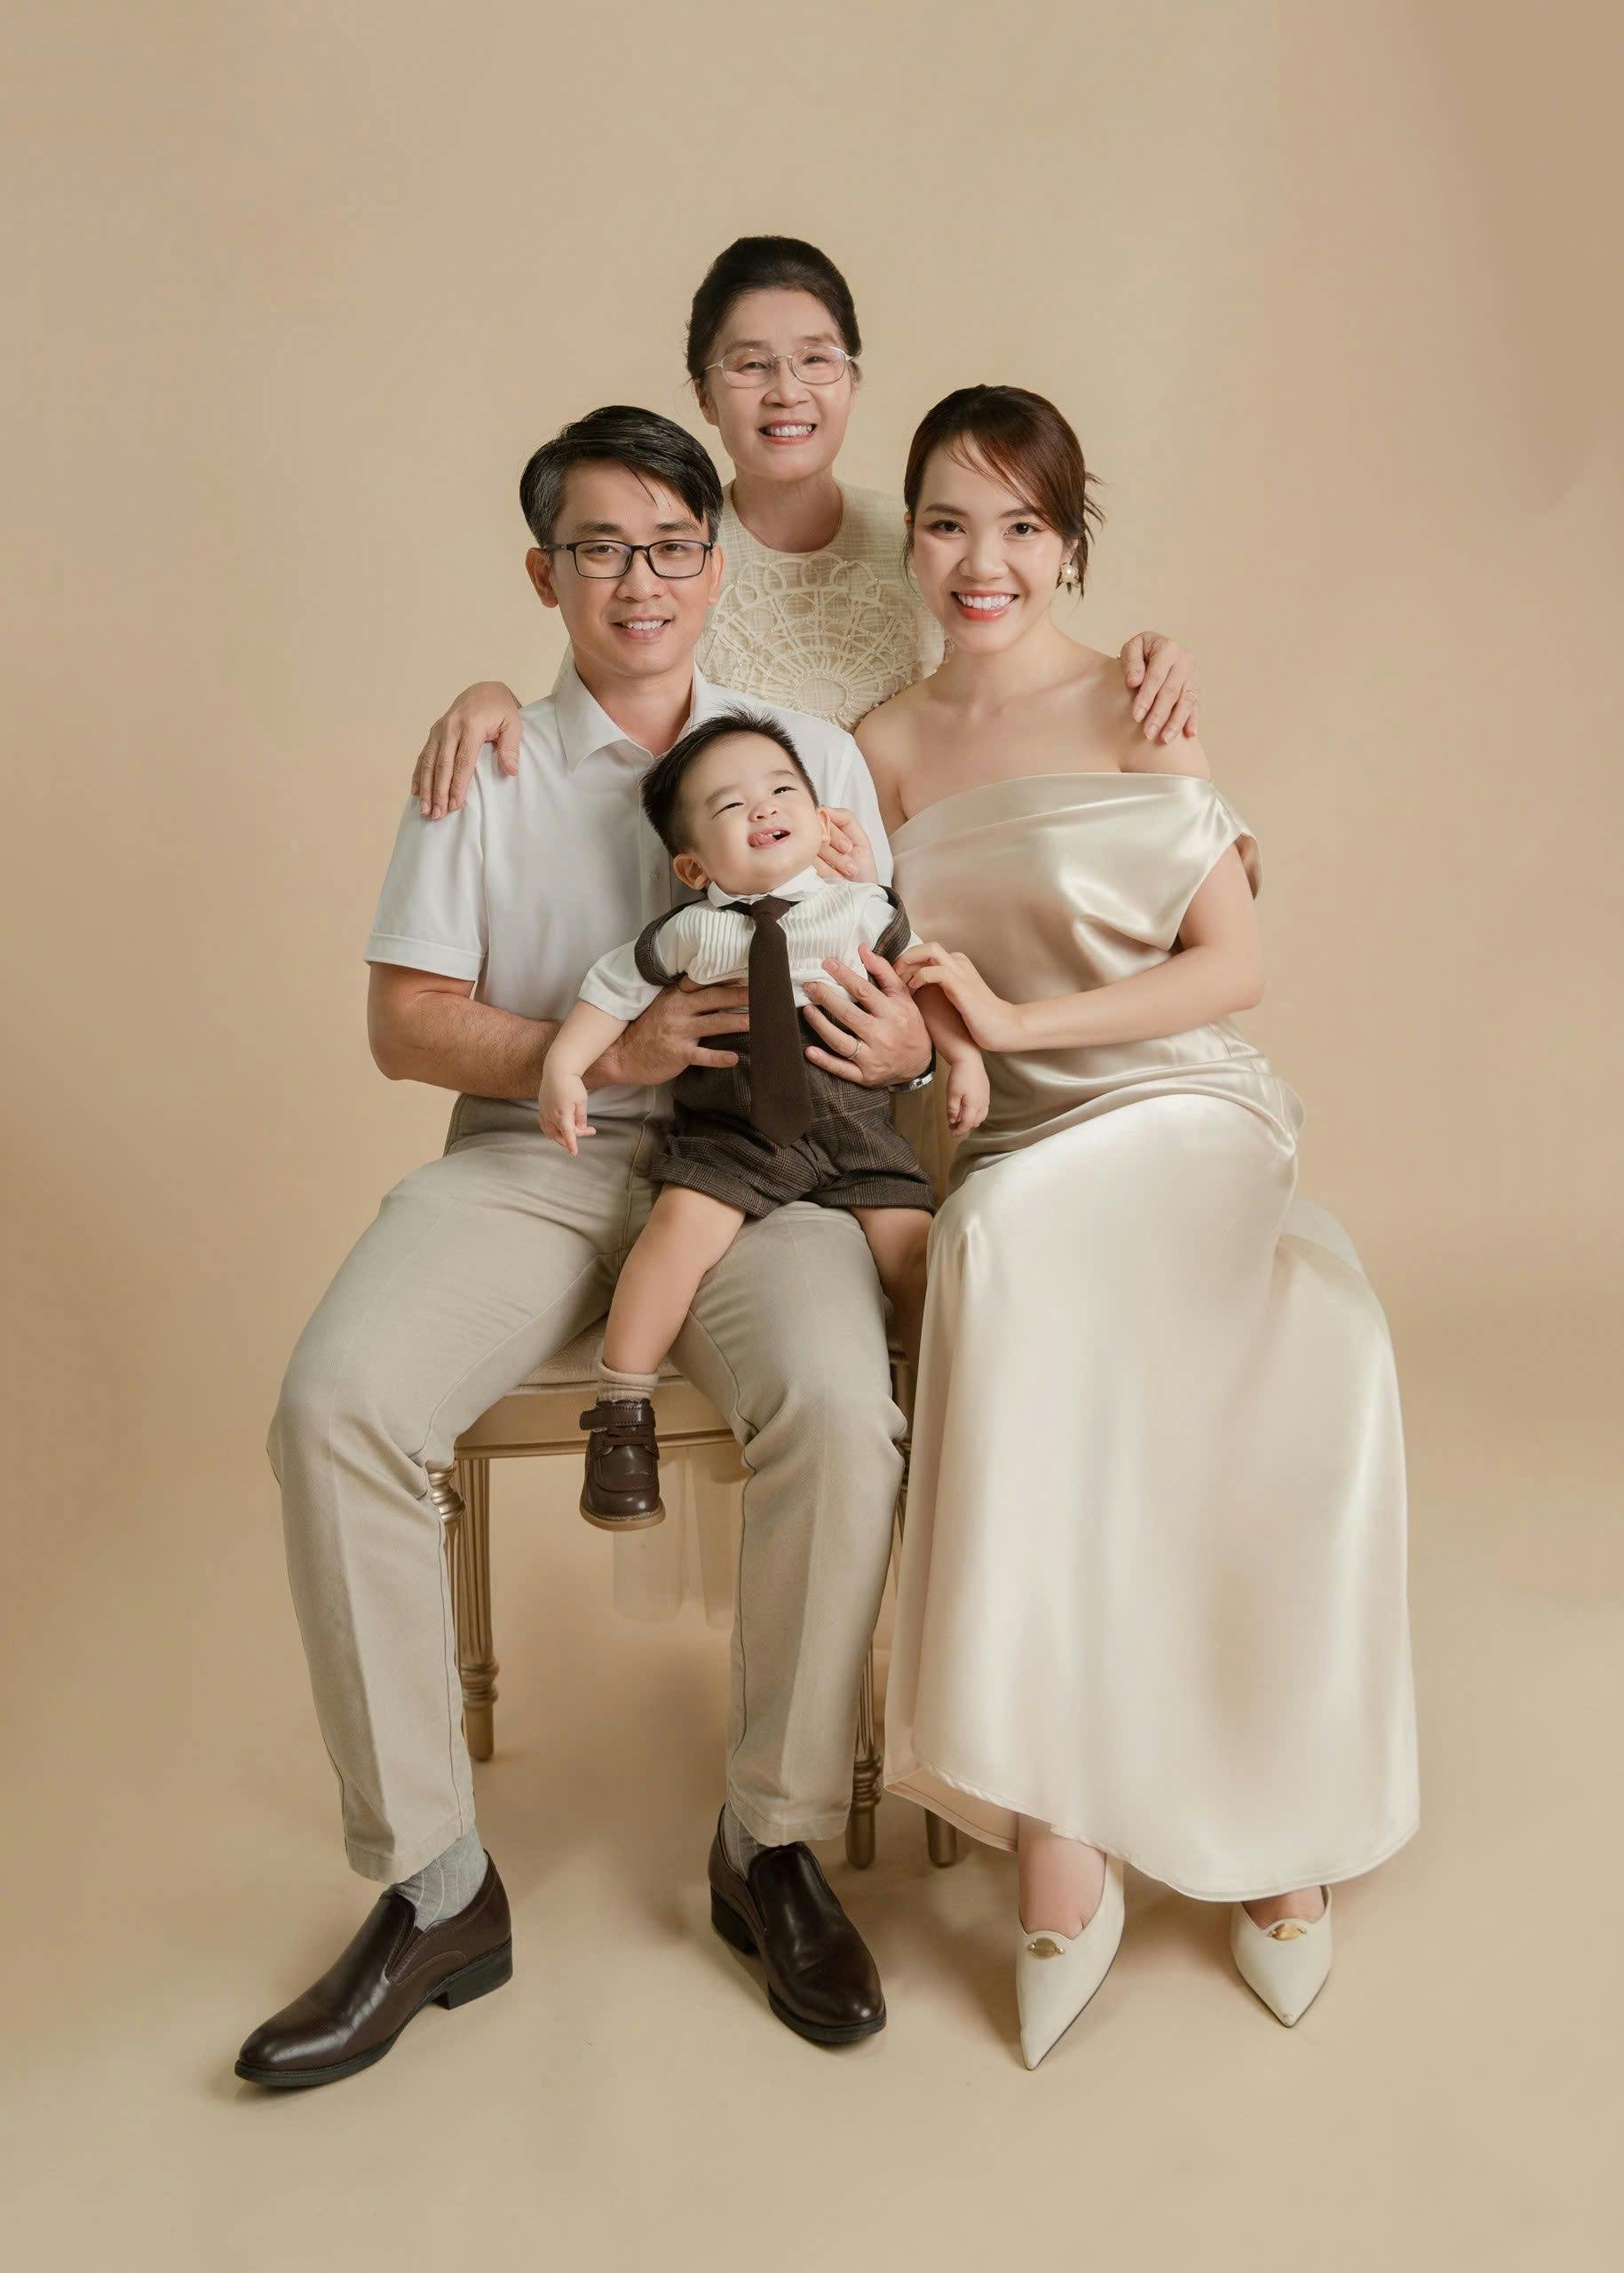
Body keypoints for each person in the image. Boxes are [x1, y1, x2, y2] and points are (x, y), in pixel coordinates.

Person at [236, 405, 940, 2089]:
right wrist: (600, 1049)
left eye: (674, 544)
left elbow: (886, 977)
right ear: (542, 573)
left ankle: (765, 1843)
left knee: (844, 1415)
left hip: (764, 1169)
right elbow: (405, 1027)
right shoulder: (478, 759)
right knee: (334, 1404)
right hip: (536, 1161)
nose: (642, 579)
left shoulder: (803, 759)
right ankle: (433, 1885)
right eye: (603, 548)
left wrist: (906, 1055)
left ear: (715, 564)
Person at [861, 386, 1418, 2068]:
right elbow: (867, 970)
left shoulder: (1135, 701)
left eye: (1022, 525)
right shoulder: (880, 750)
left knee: (1010, 1241)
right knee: (1002, 1233)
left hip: (1184, 1106)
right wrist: (945, 1041)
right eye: (951, 522)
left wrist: (1007, 1028)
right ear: (914, 538)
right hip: (1015, 1135)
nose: (985, 560)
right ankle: (1062, 1828)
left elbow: (1228, 969)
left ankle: (1261, 1829)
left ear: (1067, 544)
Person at [406, 234, 1199, 812]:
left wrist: (1144, 665)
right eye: (751, 365)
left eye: (816, 359)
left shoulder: (930, 538)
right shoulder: (676, 560)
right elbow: (599, 718)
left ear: (851, 379)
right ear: (705, 397)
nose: (786, 391)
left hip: (918, 899)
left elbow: (1029, 673)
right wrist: (491, 694)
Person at [542, 709, 986, 1531]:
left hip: (855, 1130)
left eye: (781, 789)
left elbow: (926, 981)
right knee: (673, 1235)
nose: (761, 809)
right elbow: (609, 990)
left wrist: (962, 1057)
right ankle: (620, 1415)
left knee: (921, 1258)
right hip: (734, 1136)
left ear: (822, 817)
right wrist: (565, 1066)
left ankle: (938, 1428)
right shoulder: (695, 933)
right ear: (691, 862)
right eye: (727, 807)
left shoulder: (860, 907)